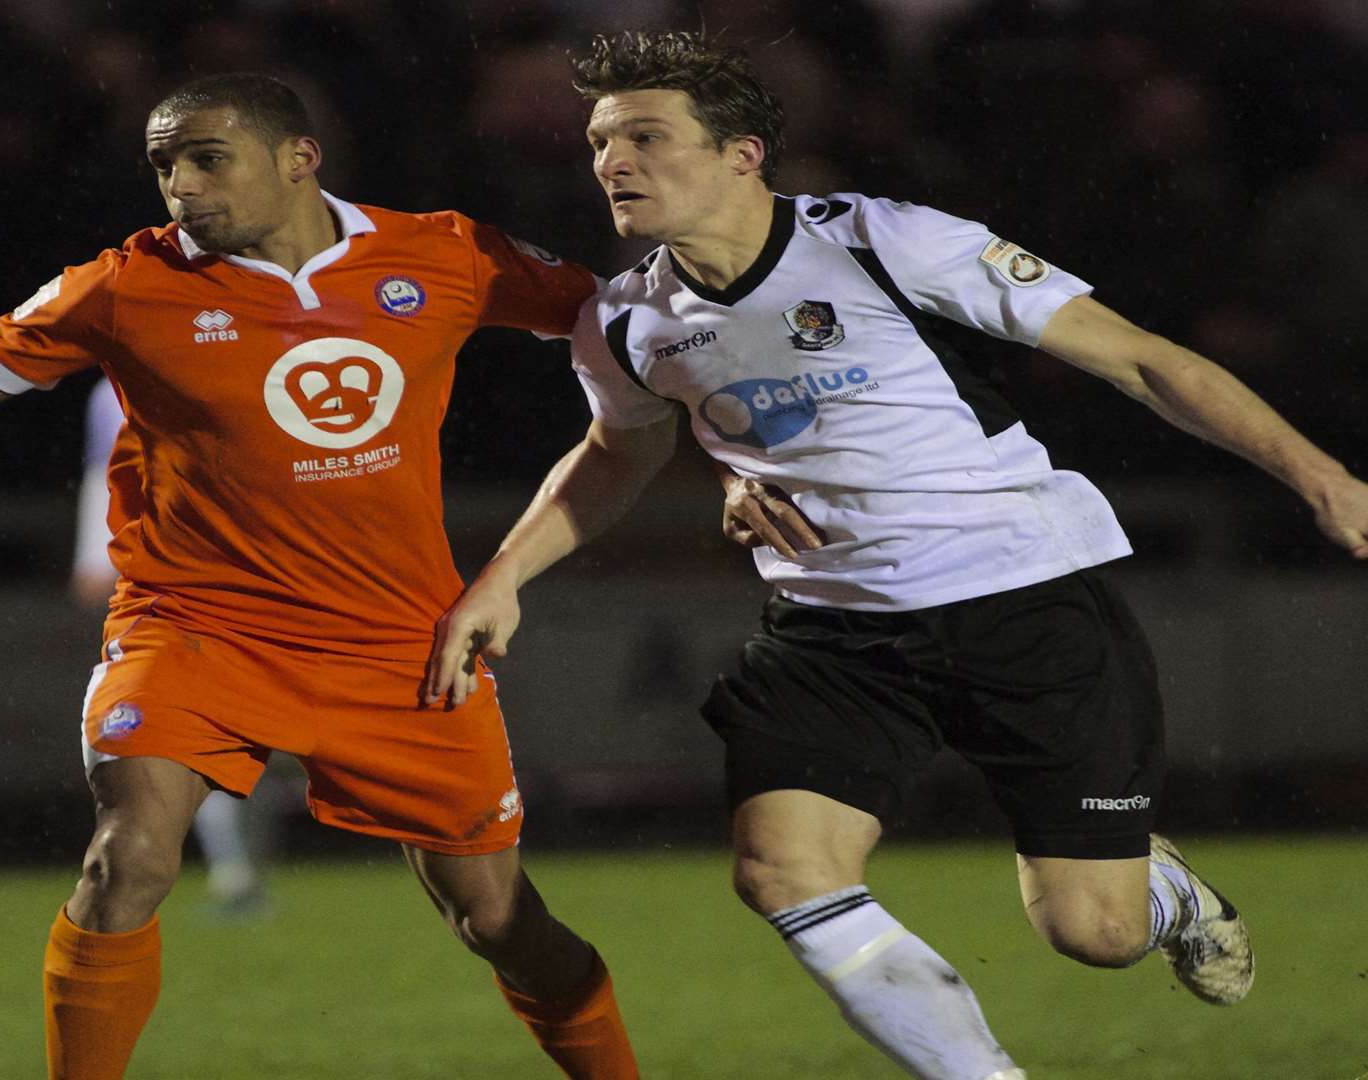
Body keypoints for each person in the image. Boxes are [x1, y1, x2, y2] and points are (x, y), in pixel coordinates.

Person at [0, 74, 639, 1080]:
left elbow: (642, 330)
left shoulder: (445, 255)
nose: (181, 188)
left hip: (398, 641)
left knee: (500, 925)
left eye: (208, 161)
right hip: (195, 629)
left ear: (299, 157)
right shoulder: (126, 285)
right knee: (127, 856)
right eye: (164, 166)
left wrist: (758, 453)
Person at [421, 30, 1368, 1080]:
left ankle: (1164, 893)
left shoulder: (887, 242)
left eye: (646, 135)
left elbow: (1142, 362)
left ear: (743, 154)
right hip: (830, 630)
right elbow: (617, 453)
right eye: (601, 141)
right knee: (781, 868)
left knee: (1091, 935)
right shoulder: (627, 319)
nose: (613, 162)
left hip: (1019, 600)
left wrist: (1318, 475)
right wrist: (504, 579)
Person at [72, 374, 266, 918]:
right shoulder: (109, 393)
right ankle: (235, 870)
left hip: (251, 585)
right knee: (191, 737)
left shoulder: (230, 356)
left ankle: (243, 863)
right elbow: (104, 475)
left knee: (254, 742)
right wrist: (92, 556)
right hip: (169, 596)